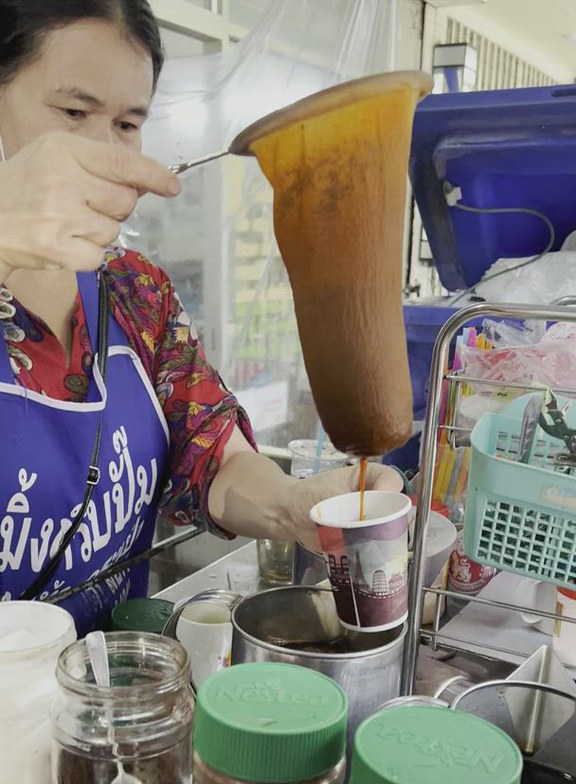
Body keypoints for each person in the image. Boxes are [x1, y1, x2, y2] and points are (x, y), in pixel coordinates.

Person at [0, 0, 401, 636]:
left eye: (128, 124)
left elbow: (212, 456)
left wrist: (295, 507)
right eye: (73, 112)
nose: (105, 149)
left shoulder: (136, 291)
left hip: (115, 698)